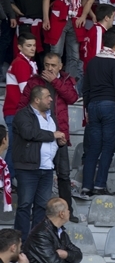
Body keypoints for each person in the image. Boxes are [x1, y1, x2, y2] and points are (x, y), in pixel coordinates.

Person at [18, 53, 78, 223]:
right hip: (38, 136)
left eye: (53, 65)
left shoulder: (66, 80)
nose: (49, 68)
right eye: (47, 65)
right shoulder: (34, 81)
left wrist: (55, 82)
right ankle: (35, 213)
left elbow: (72, 98)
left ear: (60, 66)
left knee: (64, 175)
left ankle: (68, 212)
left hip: (60, 135)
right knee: (37, 172)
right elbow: (22, 106)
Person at [13, 86, 65, 240]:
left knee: (42, 207)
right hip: (28, 168)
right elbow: (29, 133)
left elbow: (52, 139)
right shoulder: (23, 115)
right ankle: (20, 242)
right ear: (37, 99)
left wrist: (60, 142)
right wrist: (52, 135)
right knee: (24, 205)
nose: (51, 99)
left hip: (47, 168)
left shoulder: (51, 117)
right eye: (47, 96)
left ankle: (36, 241)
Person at [81, 29, 115, 197]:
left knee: (93, 148)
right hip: (110, 107)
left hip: (92, 106)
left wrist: (87, 110)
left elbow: (85, 89)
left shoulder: (92, 62)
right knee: (107, 148)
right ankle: (99, 185)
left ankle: (86, 186)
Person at [43, 0, 90, 83]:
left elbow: (85, 1)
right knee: (56, 53)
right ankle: (51, 84)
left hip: (76, 21)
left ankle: (69, 86)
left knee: (74, 55)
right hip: (58, 19)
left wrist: (84, 16)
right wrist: (46, 18)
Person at [3, 32, 38, 178]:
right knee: (14, 149)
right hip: (16, 111)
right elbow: (27, 90)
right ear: (19, 47)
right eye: (28, 46)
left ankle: (7, 179)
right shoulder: (21, 64)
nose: (33, 48)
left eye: (34, 45)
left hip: (15, 111)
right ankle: (6, 179)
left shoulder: (25, 63)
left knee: (14, 148)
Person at [22, 198, 81, 263]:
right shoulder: (41, 234)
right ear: (62, 214)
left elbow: (78, 254)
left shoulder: (60, 231)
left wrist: (65, 254)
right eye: (68, 209)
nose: (69, 211)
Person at [81, 4, 115, 71]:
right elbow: (98, 54)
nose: (114, 19)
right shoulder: (98, 31)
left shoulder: (94, 29)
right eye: (113, 16)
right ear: (106, 18)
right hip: (94, 71)